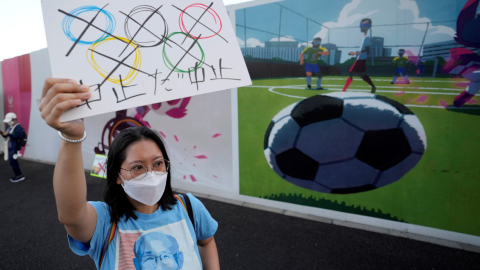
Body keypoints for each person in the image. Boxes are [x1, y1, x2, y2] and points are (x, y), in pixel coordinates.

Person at [38, 78, 220, 270]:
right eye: (138, 167)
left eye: (158, 163)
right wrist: (71, 137)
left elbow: (206, 241)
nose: (151, 174)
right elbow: (72, 216)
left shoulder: (189, 208)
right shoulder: (105, 222)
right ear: (117, 175)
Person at [342, 18, 376, 93]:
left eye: (364, 25)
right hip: (360, 58)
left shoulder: (367, 38)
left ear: (369, 26)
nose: (362, 27)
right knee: (360, 74)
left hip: (360, 59)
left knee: (351, 73)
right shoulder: (364, 37)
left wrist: (355, 53)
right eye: (361, 25)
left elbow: (367, 51)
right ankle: (373, 87)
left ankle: (344, 90)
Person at [1, 112, 25, 182]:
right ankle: (19, 175)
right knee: (13, 161)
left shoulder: (18, 126)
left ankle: (19, 175)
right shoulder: (8, 126)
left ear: (14, 120)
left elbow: (19, 136)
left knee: (12, 162)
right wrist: (3, 134)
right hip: (9, 146)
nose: (8, 123)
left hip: (14, 147)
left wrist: (8, 134)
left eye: (9, 121)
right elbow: (6, 136)